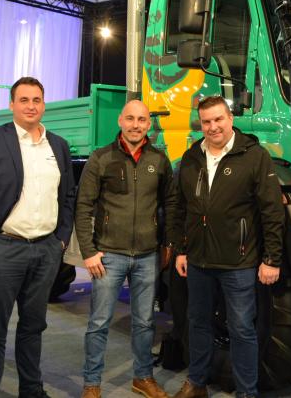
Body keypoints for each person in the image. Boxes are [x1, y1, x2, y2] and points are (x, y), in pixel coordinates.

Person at [0, 77, 74, 398]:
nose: (31, 106)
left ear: (44, 104)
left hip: (46, 250)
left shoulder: (58, 145)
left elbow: (67, 197)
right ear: (11, 104)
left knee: (33, 328)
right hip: (3, 250)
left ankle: (31, 390)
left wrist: (61, 240)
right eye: (24, 100)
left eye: (36, 99)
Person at [169, 96, 284, 398]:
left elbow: (272, 211)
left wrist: (272, 259)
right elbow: (180, 209)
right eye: (206, 122)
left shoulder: (254, 156)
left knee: (242, 330)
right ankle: (197, 383)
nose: (213, 127)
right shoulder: (192, 157)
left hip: (240, 263)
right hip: (198, 262)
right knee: (198, 324)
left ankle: (247, 392)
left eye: (218, 119)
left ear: (230, 118)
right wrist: (181, 250)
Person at [75, 100, 175, 398]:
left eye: (141, 120)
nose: (135, 124)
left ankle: (142, 377)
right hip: (109, 256)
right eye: (130, 118)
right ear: (120, 120)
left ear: (148, 124)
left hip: (147, 256)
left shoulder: (159, 159)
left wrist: (168, 243)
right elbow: (83, 206)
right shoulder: (101, 158)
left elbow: (170, 204)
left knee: (145, 323)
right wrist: (89, 251)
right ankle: (91, 384)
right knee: (98, 323)